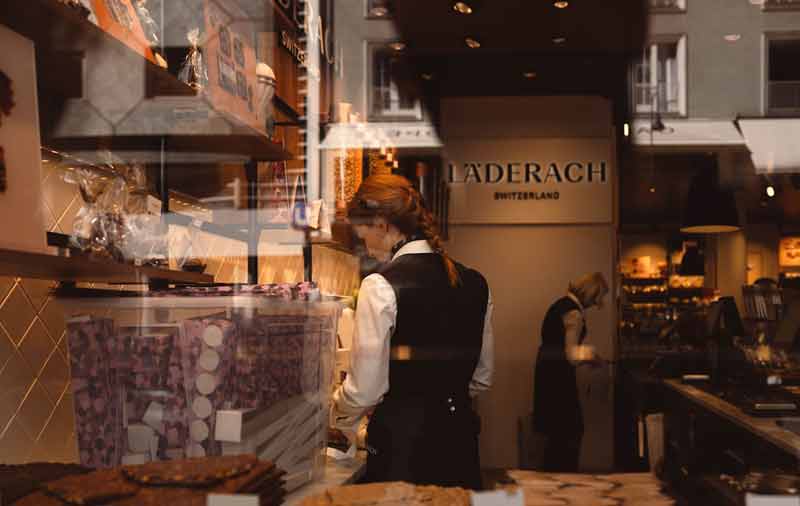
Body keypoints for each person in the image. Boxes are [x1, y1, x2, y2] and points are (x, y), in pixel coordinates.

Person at [331, 174, 494, 490]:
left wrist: (336, 413)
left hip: (403, 450)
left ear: (381, 223)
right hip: (460, 442)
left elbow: (365, 390)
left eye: (361, 232)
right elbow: (482, 378)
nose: (363, 243)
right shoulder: (477, 282)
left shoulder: (380, 285)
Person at [532, 272, 608, 472]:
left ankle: (550, 489)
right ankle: (566, 485)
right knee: (570, 433)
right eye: (597, 300)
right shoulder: (574, 314)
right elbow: (572, 354)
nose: (596, 305)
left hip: (546, 373)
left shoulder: (559, 304)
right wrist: (593, 356)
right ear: (591, 294)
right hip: (558, 379)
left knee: (555, 435)